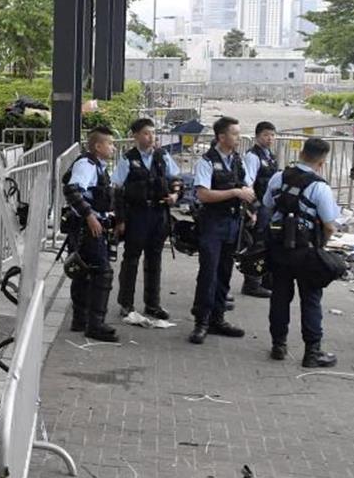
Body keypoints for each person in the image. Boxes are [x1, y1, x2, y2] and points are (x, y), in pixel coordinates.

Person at [263, 138, 341, 367]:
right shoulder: (320, 186)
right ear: (322, 161)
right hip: (306, 252)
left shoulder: (279, 177)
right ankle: (312, 352)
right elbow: (329, 225)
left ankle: (279, 345)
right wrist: (321, 246)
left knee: (279, 297)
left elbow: (267, 205)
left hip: (279, 249)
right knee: (311, 300)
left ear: (303, 153)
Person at [189, 116, 252, 345]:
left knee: (225, 272)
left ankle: (218, 318)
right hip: (212, 223)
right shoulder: (206, 162)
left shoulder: (237, 159)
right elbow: (203, 194)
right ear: (221, 137)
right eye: (234, 134)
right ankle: (201, 322)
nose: (238, 137)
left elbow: (245, 184)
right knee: (208, 273)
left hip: (233, 222)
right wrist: (235, 193)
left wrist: (247, 199)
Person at [112, 118, 182, 321]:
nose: (151, 137)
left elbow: (176, 179)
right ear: (135, 136)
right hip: (137, 214)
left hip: (158, 214)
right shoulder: (128, 159)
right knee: (131, 260)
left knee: (155, 260)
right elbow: (117, 190)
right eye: (145, 133)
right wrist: (120, 220)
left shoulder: (162, 156)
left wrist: (175, 195)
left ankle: (153, 304)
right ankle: (126, 303)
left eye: (153, 133)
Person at [63, 126, 120, 342]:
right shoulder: (86, 165)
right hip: (87, 228)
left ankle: (81, 318)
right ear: (98, 146)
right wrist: (90, 216)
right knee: (102, 273)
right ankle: (95, 324)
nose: (113, 147)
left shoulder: (97, 166)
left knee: (84, 273)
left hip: (91, 225)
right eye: (110, 143)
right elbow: (72, 190)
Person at [241, 121, 278, 299]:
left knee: (267, 244)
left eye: (272, 135)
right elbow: (249, 184)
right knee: (256, 245)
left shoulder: (270, 155)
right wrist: (252, 209)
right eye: (266, 135)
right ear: (257, 136)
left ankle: (266, 281)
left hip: (269, 207)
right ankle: (252, 283)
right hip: (259, 207)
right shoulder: (252, 156)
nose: (270, 138)